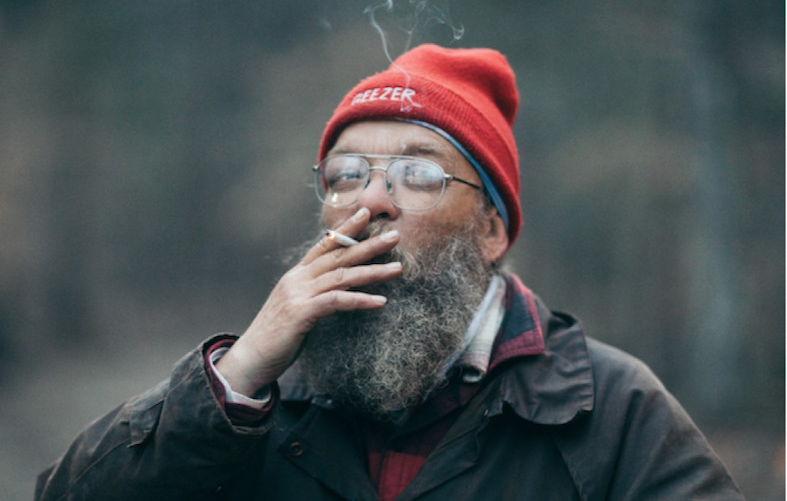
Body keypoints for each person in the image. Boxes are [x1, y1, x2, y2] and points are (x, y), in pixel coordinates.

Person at [35, 44, 744, 500]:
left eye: (417, 173)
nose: (370, 201)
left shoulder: (610, 409)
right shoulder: (255, 397)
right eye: (346, 174)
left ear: (491, 230)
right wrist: (241, 368)